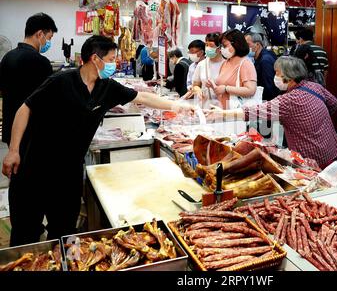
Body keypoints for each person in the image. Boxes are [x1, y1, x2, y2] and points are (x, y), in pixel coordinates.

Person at [2, 35, 194, 246]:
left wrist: (176, 106)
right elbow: (25, 109)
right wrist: (13, 150)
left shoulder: (107, 87)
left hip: (69, 171)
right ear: (95, 58)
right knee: (25, 233)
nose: (115, 63)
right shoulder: (61, 81)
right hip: (35, 166)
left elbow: (141, 97)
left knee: (63, 232)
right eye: (112, 59)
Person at [206, 56, 337, 169]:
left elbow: (255, 111)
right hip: (332, 150)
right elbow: (333, 103)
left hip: (311, 158)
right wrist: (318, 119)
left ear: (289, 76)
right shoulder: (315, 87)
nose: (274, 76)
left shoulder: (289, 100)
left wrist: (223, 113)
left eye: (277, 73)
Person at [0, 13, 57, 146]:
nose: (48, 42)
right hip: (31, 131)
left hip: (11, 128)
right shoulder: (40, 62)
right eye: (49, 38)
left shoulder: (8, 57)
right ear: (39, 34)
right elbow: (47, 101)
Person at [212, 29, 257, 109]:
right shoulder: (225, 63)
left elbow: (251, 90)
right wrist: (214, 86)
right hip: (223, 110)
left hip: (237, 113)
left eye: (225, 45)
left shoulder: (245, 63)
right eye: (221, 46)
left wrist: (226, 88)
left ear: (236, 44)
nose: (222, 49)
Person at [191, 32, 225, 105]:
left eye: (211, 45)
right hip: (204, 104)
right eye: (206, 45)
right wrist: (198, 91)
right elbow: (195, 85)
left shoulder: (227, 64)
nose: (208, 48)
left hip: (222, 105)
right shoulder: (201, 65)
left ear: (219, 48)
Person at [245, 33, 280, 101]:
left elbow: (269, 86)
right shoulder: (261, 56)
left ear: (257, 45)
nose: (245, 47)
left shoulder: (265, 60)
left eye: (248, 44)